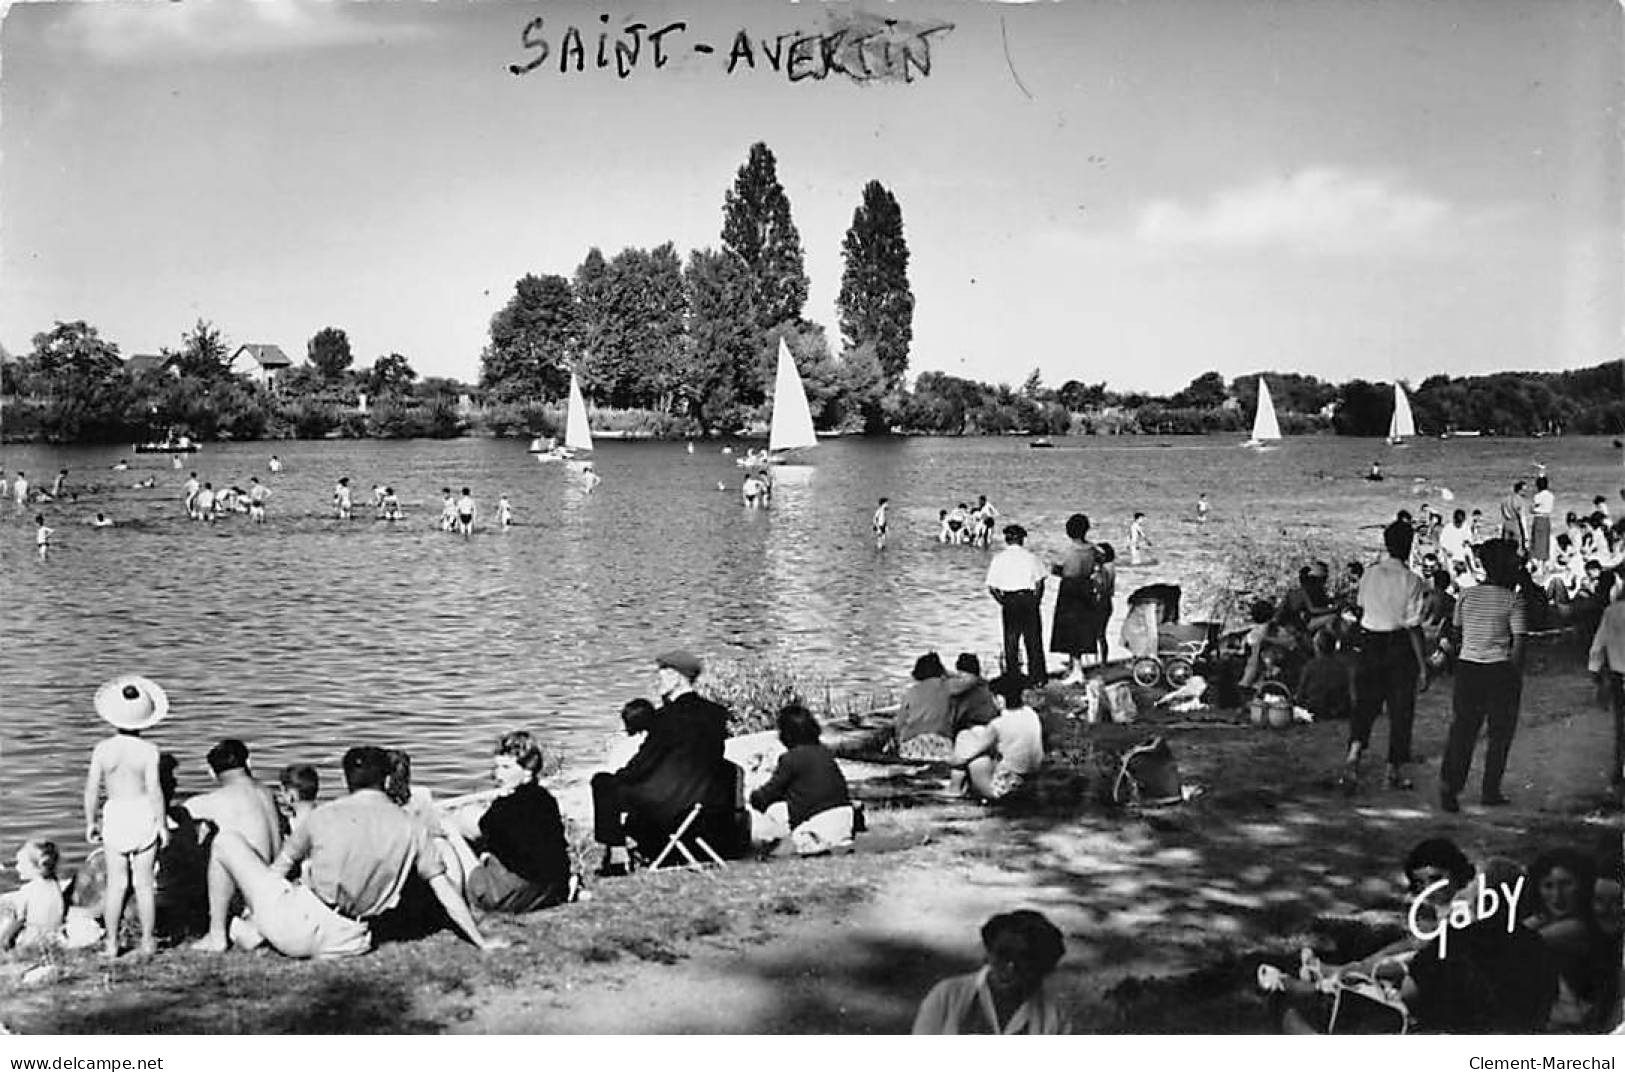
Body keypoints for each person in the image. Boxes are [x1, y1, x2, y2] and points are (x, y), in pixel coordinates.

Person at [194, 745, 504, 958]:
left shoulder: (322, 816)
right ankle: (253, 929)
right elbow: (446, 891)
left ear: (346, 780)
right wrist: (480, 940)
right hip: (351, 939)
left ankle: (219, 935)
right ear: (385, 779)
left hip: (300, 929)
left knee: (227, 843)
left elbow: (278, 870)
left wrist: (256, 903)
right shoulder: (412, 827)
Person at [590, 650, 737, 876]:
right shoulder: (716, 713)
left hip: (669, 803)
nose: (657, 681)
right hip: (703, 801)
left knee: (603, 783)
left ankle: (617, 854)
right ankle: (639, 846)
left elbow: (643, 764)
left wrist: (618, 777)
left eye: (662, 675)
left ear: (677, 677)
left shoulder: (665, 718)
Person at [82, 675, 171, 958]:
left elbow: (92, 789)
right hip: (143, 812)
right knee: (144, 884)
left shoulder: (103, 750)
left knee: (117, 884)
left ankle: (111, 943)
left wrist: (90, 821)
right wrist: (162, 823)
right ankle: (147, 941)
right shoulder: (149, 751)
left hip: (117, 814)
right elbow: (156, 791)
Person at [1438, 540, 1527, 812]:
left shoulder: (1466, 595)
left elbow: (1457, 634)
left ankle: (1450, 788)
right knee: (1500, 734)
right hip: (1499, 668)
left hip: (1468, 668)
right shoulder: (1513, 599)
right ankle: (1490, 790)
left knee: (1463, 729)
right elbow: (1519, 647)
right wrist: (1515, 676)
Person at [441, 732, 574, 913]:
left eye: (506, 767)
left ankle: (453, 899)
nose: (497, 774)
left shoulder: (506, 806)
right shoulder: (546, 799)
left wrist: (451, 822)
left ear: (527, 771)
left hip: (510, 896)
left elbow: (476, 830)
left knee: (449, 830)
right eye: (497, 767)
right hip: (551, 889)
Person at [1342, 520, 1429, 793]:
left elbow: (1361, 608)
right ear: (1409, 545)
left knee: (1366, 703)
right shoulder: (1413, 580)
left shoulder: (1369, 574)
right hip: (1398, 645)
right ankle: (1392, 770)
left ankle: (1354, 754)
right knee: (1401, 709)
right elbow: (1413, 626)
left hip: (1370, 643)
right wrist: (1423, 666)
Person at [187, 739, 286, 952]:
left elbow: (178, 814)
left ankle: (217, 934)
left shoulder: (216, 800)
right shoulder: (267, 793)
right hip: (277, 885)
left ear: (211, 773)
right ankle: (247, 926)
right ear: (249, 763)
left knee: (220, 845)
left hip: (256, 895)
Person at [913, 910, 1070, 1034]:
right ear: (988, 952)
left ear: (1043, 968)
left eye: (1024, 960)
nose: (1010, 967)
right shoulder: (948, 996)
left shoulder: (1054, 1016)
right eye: (1002, 954)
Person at [1522, 849, 1617, 1030]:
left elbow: (1512, 943)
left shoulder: (1579, 928)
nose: (1558, 895)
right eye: (1548, 886)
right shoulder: (1546, 922)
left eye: (1566, 884)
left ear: (1583, 886)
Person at [748, 705, 855, 857]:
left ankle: (803, 842)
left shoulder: (790, 759)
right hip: (845, 820)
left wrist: (753, 797)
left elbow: (768, 794)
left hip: (817, 826)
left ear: (786, 734)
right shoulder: (824, 753)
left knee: (774, 844)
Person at [954, 675, 1045, 803]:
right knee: (978, 733)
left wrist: (954, 760)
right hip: (1031, 783)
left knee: (967, 741)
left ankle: (955, 787)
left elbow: (968, 755)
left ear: (1000, 699)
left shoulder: (998, 724)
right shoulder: (1031, 714)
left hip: (1005, 788)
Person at [986, 524, 1047, 687]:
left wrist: (1003, 602)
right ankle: (1037, 678)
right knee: (1033, 640)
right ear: (1021, 540)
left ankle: (1013, 677)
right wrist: (1036, 601)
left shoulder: (999, 559)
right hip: (1027, 599)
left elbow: (992, 587)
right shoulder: (1031, 557)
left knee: (1011, 641)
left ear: (1007, 539)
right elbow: (1040, 582)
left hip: (1010, 600)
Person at [1048, 513, 1100, 685]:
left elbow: (1062, 570)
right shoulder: (1093, 549)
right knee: (1082, 628)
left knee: (1070, 631)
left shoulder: (1069, 550)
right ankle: (1074, 668)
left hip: (1070, 589)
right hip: (1086, 587)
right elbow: (1098, 563)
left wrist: (1055, 570)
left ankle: (1076, 671)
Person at [1587, 574, 1625, 797]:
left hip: (1619, 675)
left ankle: (1619, 771)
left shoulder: (1611, 613)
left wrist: (1595, 673)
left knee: (1621, 726)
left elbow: (1597, 646)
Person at [0, 840, 66, 952]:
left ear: (36, 867)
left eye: (20, 863)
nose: (17, 867)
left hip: (30, 942)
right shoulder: (56, 887)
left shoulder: (28, 891)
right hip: (51, 940)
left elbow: (13, 926)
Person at [894, 652, 954, 761]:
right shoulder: (949, 687)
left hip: (913, 745)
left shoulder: (911, 692)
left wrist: (899, 741)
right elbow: (972, 679)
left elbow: (899, 724)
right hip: (941, 744)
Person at [1296, 630, 1354, 721]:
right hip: (1339, 709)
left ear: (1317, 647)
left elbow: (1300, 694)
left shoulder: (1310, 666)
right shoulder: (1343, 666)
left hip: (1315, 710)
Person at [947, 653, 999, 735]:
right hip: (990, 724)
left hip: (974, 726)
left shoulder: (964, 689)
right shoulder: (985, 685)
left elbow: (957, 718)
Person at [1531, 475, 1556, 564]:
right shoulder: (1551, 495)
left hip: (1539, 518)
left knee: (1537, 542)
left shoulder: (1538, 496)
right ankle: (1545, 562)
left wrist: (1532, 509)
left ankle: (1538, 563)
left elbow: (1533, 509)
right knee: (1545, 541)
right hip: (1547, 519)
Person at [1500, 480, 1529, 555]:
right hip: (1516, 525)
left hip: (1506, 524)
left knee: (1506, 549)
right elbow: (1522, 517)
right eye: (1524, 491)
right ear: (1519, 490)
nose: (1525, 493)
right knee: (1518, 549)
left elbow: (1504, 512)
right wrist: (1526, 534)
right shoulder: (1520, 500)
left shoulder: (1506, 499)